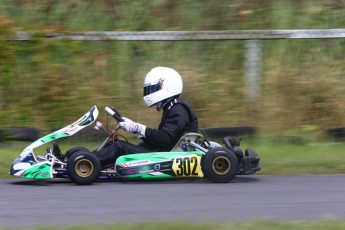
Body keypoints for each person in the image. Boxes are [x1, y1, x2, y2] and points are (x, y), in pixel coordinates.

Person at [94, 66, 199, 167]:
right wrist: (136, 129)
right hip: (163, 152)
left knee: (118, 147)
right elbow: (161, 139)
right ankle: (87, 158)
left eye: (152, 89)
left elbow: (164, 138)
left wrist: (138, 127)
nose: (149, 92)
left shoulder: (178, 109)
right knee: (118, 143)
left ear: (167, 87)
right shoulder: (173, 107)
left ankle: (86, 161)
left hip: (167, 157)